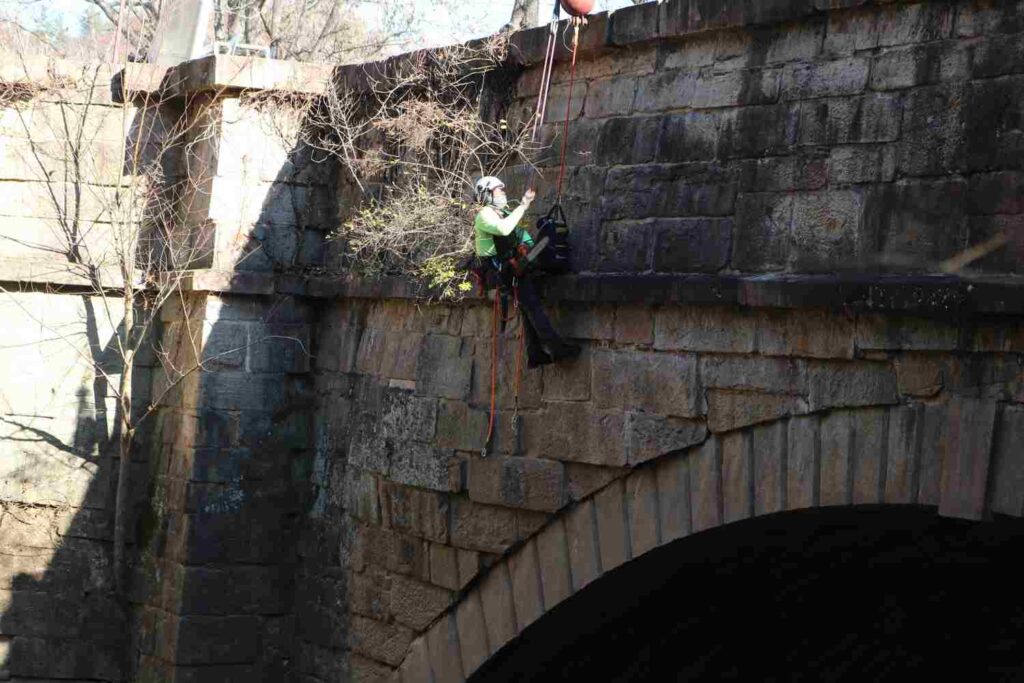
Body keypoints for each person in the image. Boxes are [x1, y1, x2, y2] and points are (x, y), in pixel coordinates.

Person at [473, 175, 580, 368]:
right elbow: (503, 229)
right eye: (499, 190)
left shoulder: (502, 213)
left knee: (528, 307)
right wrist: (523, 205)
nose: (503, 193)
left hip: (512, 268)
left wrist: (527, 246)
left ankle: (535, 353)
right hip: (501, 271)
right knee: (532, 306)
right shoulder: (484, 215)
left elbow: (520, 234)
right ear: (487, 194)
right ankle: (557, 349)